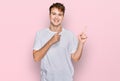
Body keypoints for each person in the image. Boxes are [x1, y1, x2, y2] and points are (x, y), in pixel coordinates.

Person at [33, 2, 87, 81]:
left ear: (63, 17)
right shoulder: (40, 34)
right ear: (49, 15)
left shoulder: (70, 35)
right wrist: (50, 42)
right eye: (54, 14)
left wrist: (81, 44)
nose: (56, 17)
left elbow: (75, 58)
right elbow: (36, 58)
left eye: (60, 14)